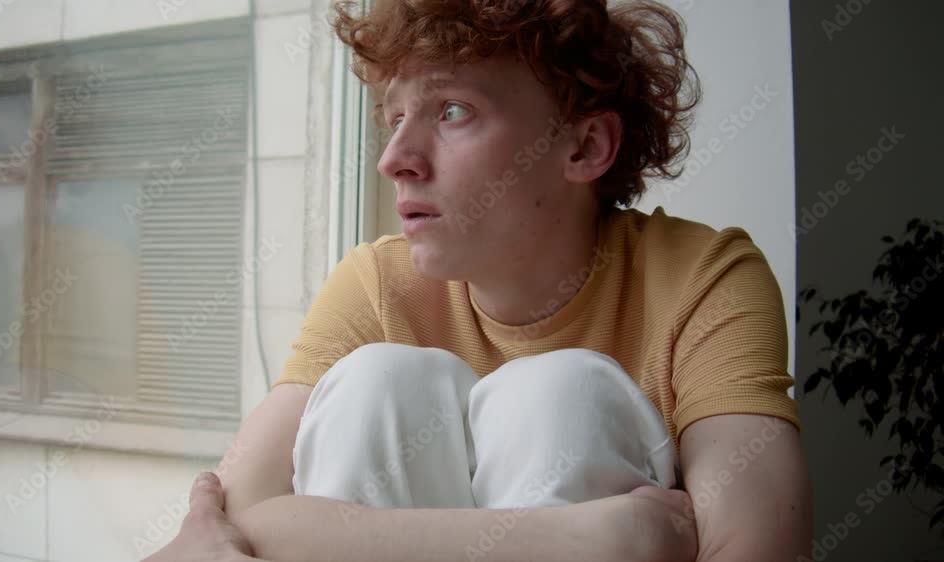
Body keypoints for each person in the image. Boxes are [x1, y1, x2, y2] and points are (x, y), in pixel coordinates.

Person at [144, 1, 813, 560]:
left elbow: (755, 549)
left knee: (560, 394)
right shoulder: (376, 282)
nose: (394, 159)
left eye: (451, 110)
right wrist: (591, 539)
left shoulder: (701, 277)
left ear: (584, 146)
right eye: (393, 115)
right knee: (380, 381)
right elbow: (223, 537)